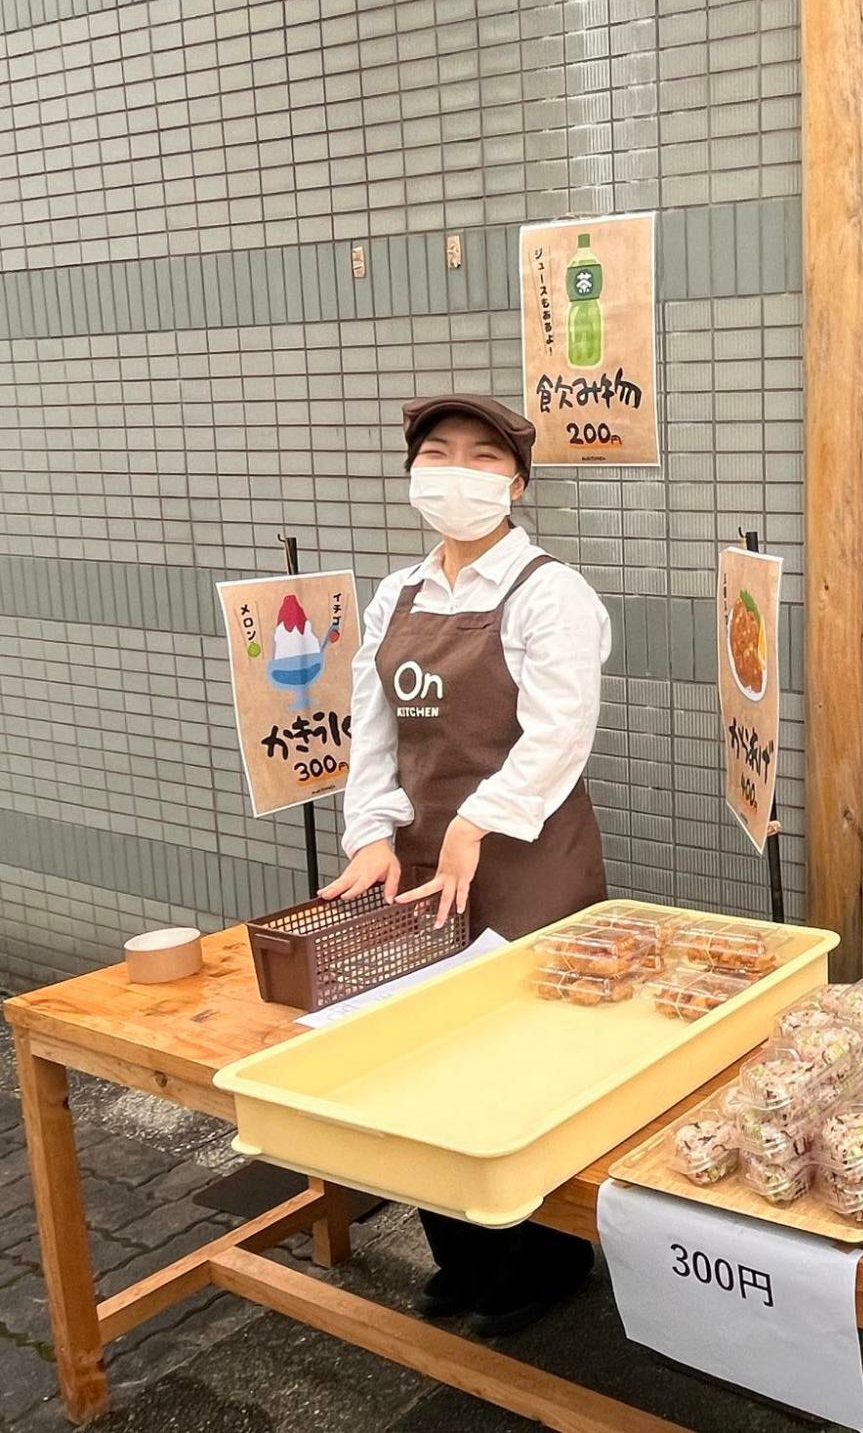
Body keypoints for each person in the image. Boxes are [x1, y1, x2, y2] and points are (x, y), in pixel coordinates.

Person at [320, 392, 611, 1335]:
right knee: (426, 1058)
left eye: (483, 457)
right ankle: (464, 1252)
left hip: (529, 863)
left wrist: (477, 821)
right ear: (412, 476)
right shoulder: (396, 596)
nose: (457, 471)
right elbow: (373, 736)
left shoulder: (549, 593)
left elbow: (559, 738)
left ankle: (546, 1264)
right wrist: (371, 832)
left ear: (517, 482)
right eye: (437, 453)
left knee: (526, 1066)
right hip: (419, 865)